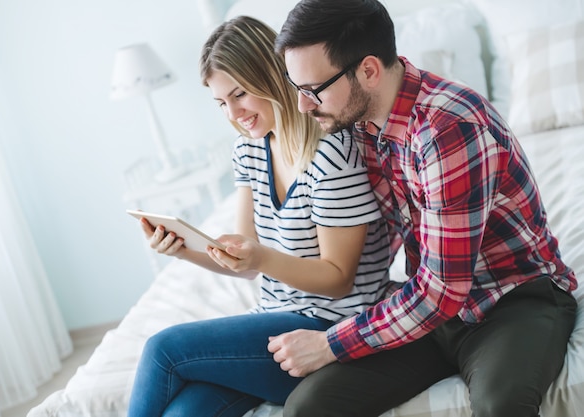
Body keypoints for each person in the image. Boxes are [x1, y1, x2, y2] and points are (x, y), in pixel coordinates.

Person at [266, 1, 579, 416]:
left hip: (513, 296)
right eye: (298, 89)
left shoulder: (448, 129)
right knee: (308, 406)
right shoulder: (356, 120)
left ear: (369, 70)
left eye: (314, 90)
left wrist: (331, 343)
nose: (304, 105)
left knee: (500, 405)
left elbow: (441, 292)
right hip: (430, 309)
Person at [126, 15, 392, 417]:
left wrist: (261, 258)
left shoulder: (333, 154)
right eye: (221, 103)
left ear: (273, 77)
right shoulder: (249, 151)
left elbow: (338, 280)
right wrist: (182, 249)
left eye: (240, 95)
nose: (233, 113)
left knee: (163, 349)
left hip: (328, 332)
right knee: (183, 413)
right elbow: (245, 264)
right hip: (271, 324)